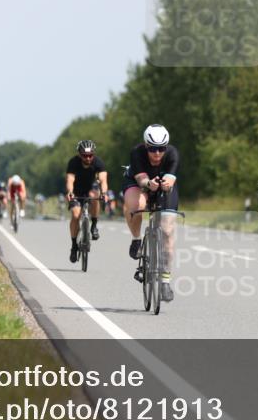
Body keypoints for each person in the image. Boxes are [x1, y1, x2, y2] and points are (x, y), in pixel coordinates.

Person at [122, 124, 179, 302]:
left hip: (163, 186)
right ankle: (136, 240)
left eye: (161, 148)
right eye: (153, 149)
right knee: (136, 205)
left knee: (168, 231)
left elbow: (170, 179)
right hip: (140, 183)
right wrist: (149, 184)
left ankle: (165, 282)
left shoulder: (172, 154)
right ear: (146, 146)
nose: (157, 153)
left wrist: (166, 184)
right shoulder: (137, 152)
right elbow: (141, 179)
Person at [65, 140, 108, 263]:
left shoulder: (98, 162)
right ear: (79, 154)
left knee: (95, 195)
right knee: (75, 215)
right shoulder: (73, 162)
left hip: (90, 189)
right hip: (76, 192)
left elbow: (103, 180)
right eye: (85, 155)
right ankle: (74, 246)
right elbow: (70, 180)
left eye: (90, 155)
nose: (88, 158)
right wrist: (70, 192)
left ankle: (94, 226)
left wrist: (104, 193)